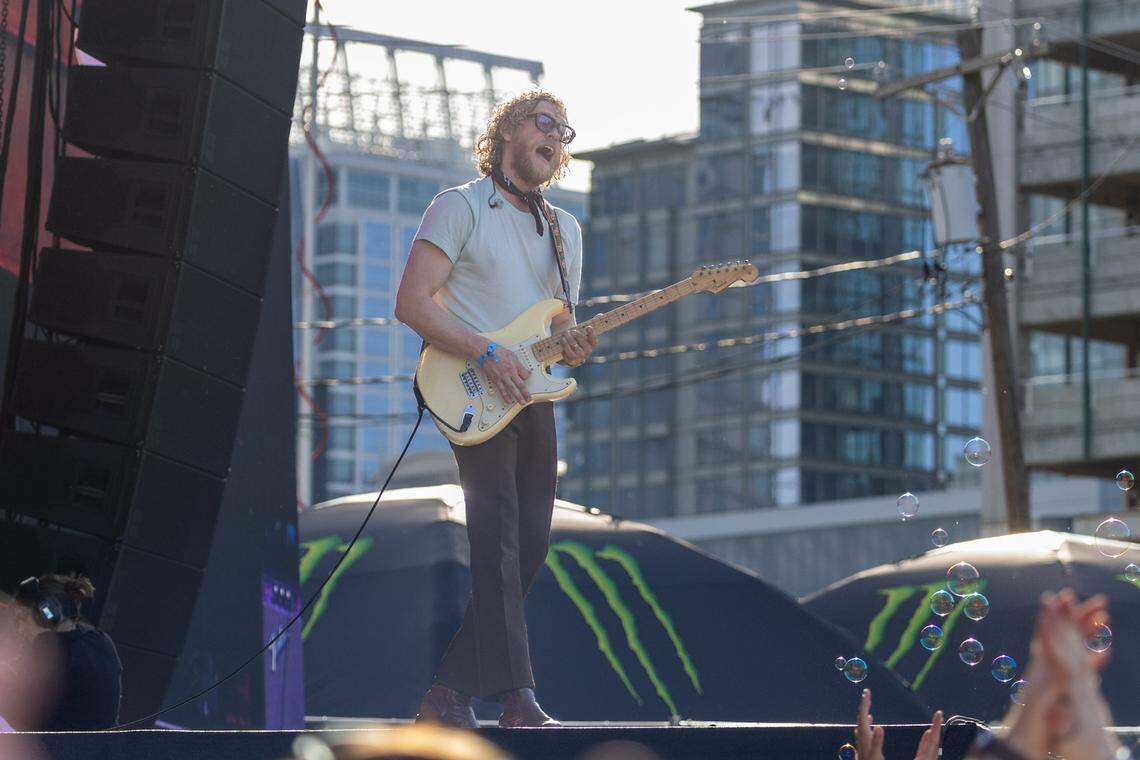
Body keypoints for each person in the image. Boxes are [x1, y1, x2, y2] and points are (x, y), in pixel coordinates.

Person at [395, 89, 596, 729]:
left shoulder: (566, 232)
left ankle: (447, 695)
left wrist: (576, 343)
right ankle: (516, 698)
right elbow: (412, 303)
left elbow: (558, 329)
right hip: (473, 392)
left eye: (564, 131)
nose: (556, 137)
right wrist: (486, 352)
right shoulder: (458, 207)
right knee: (498, 541)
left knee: (530, 543)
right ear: (509, 129)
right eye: (545, 123)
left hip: (532, 397)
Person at [8, 573, 122, 730]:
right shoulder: (101, 641)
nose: (20, 629)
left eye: (22, 618)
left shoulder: (51, 655)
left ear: (47, 614)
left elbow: (19, 715)